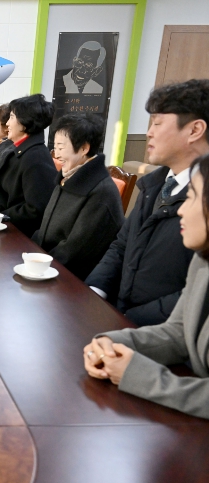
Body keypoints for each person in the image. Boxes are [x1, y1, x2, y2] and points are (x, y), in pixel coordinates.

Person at [83, 154, 209, 419]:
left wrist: (143, 377)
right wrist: (111, 341)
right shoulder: (202, 261)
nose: (181, 210)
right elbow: (179, 332)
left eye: (192, 198)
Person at [86, 80, 209, 326]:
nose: (149, 133)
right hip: (122, 317)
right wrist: (94, 291)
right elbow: (121, 245)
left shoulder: (203, 199)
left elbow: (197, 294)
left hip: (163, 332)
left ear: (194, 130)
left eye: (158, 123)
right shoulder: (155, 184)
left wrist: (128, 321)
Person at [31, 114, 124, 280]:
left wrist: (37, 266)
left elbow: (74, 252)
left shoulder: (102, 192)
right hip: (47, 264)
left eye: (61, 148)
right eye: (55, 147)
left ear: (84, 149)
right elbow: (45, 229)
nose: (56, 154)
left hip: (71, 278)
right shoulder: (68, 176)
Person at [0, 94, 57, 237]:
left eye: (12, 117)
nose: (7, 124)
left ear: (25, 122)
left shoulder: (36, 158)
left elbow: (35, 210)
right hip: (3, 225)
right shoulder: (20, 150)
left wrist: (0, 217)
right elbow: (0, 192)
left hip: (17, 234)